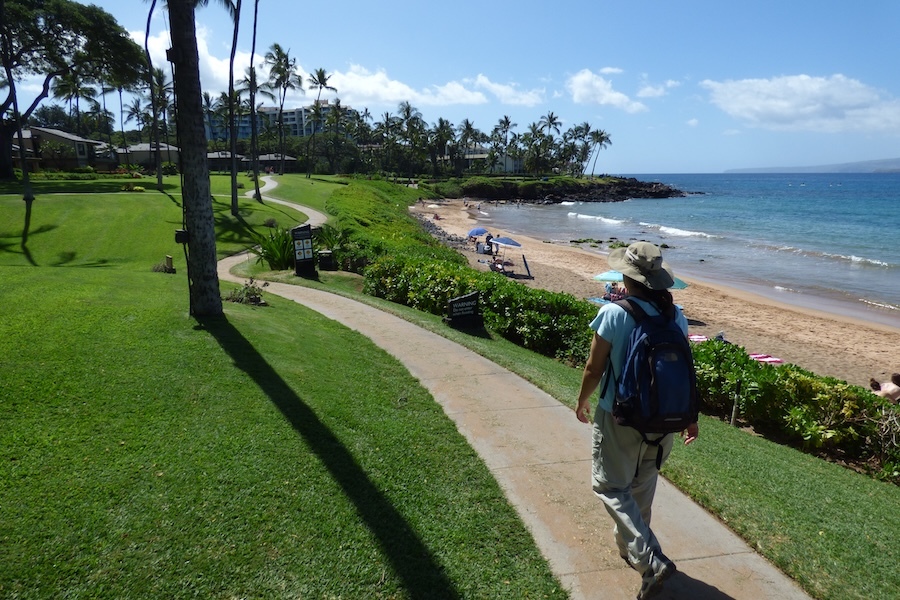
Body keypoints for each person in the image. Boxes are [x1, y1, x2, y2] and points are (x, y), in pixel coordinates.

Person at [575, 242, 699, 600]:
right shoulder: (675, 317)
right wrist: (690, 417)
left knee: (610, 488)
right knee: (641, 491)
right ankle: (631, 550)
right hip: (664, 421)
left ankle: (650, 560)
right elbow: (684, 372)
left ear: (627, 278)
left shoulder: (614, 313)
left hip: (620, 417)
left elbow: (593, 367)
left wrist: (582, 400)